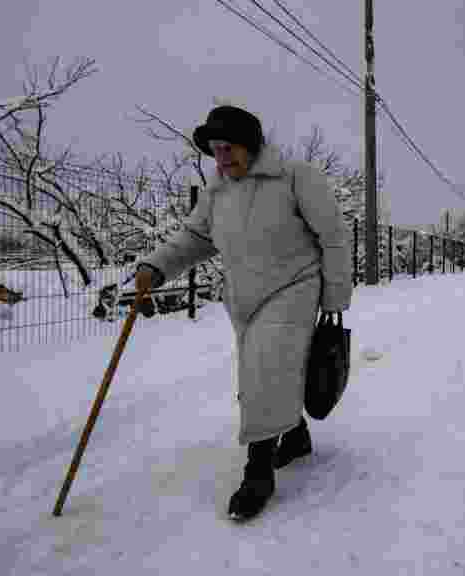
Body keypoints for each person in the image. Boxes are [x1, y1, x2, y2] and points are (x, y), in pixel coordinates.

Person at [133, 105, 352, 522]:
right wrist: (155, 266)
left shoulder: (295, 177)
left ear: (251, 146)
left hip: (295, 287)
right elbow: (195, 237)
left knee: (265, 367)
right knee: (269, 372)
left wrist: (335, 293)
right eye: (215, 150)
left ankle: (258, 472)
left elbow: (334, 236)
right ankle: (296, 433)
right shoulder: (217, 191)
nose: (222, 157)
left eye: (229, 147)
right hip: (244, 298)